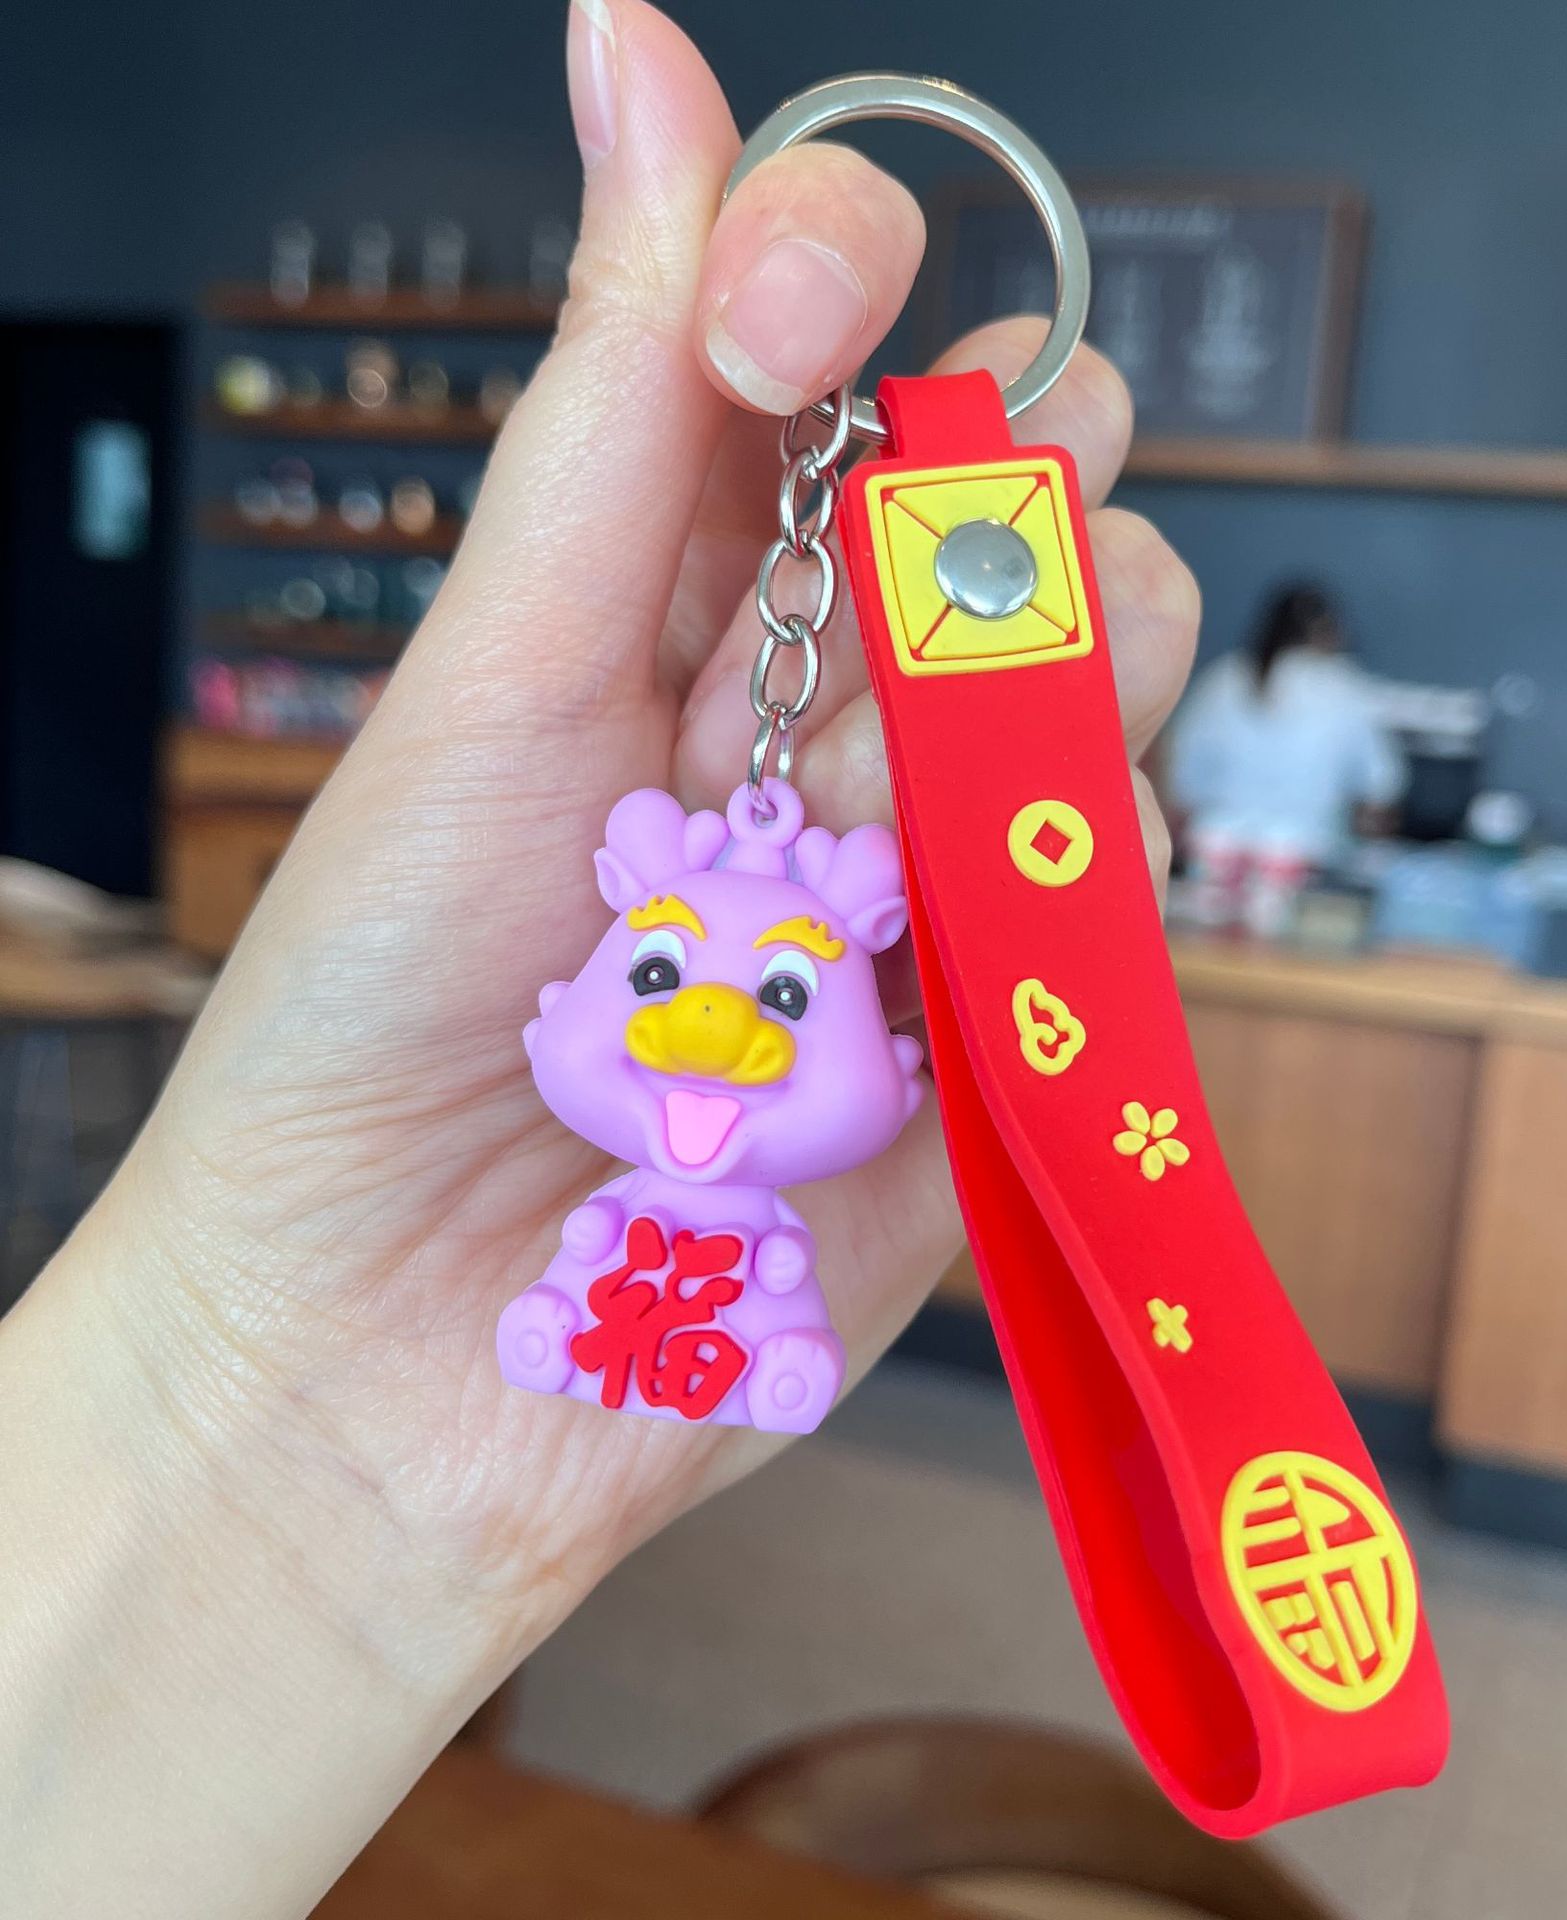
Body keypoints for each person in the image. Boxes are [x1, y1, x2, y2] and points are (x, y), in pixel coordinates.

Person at [0, 7, 1199, 1914]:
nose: (714, 1025)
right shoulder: (608, 1006)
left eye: (785, 1001)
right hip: (585, 1299)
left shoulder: (817, 1038)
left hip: (709, 1311)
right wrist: (240, 1425)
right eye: (661, 988)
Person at [1166, 581, 1405, 865]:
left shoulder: (1222, 679)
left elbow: (1180, 778)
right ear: (1327, 631)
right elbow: (1380, 789)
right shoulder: (1345, 686)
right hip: (1305, 856)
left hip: (1214, 849)